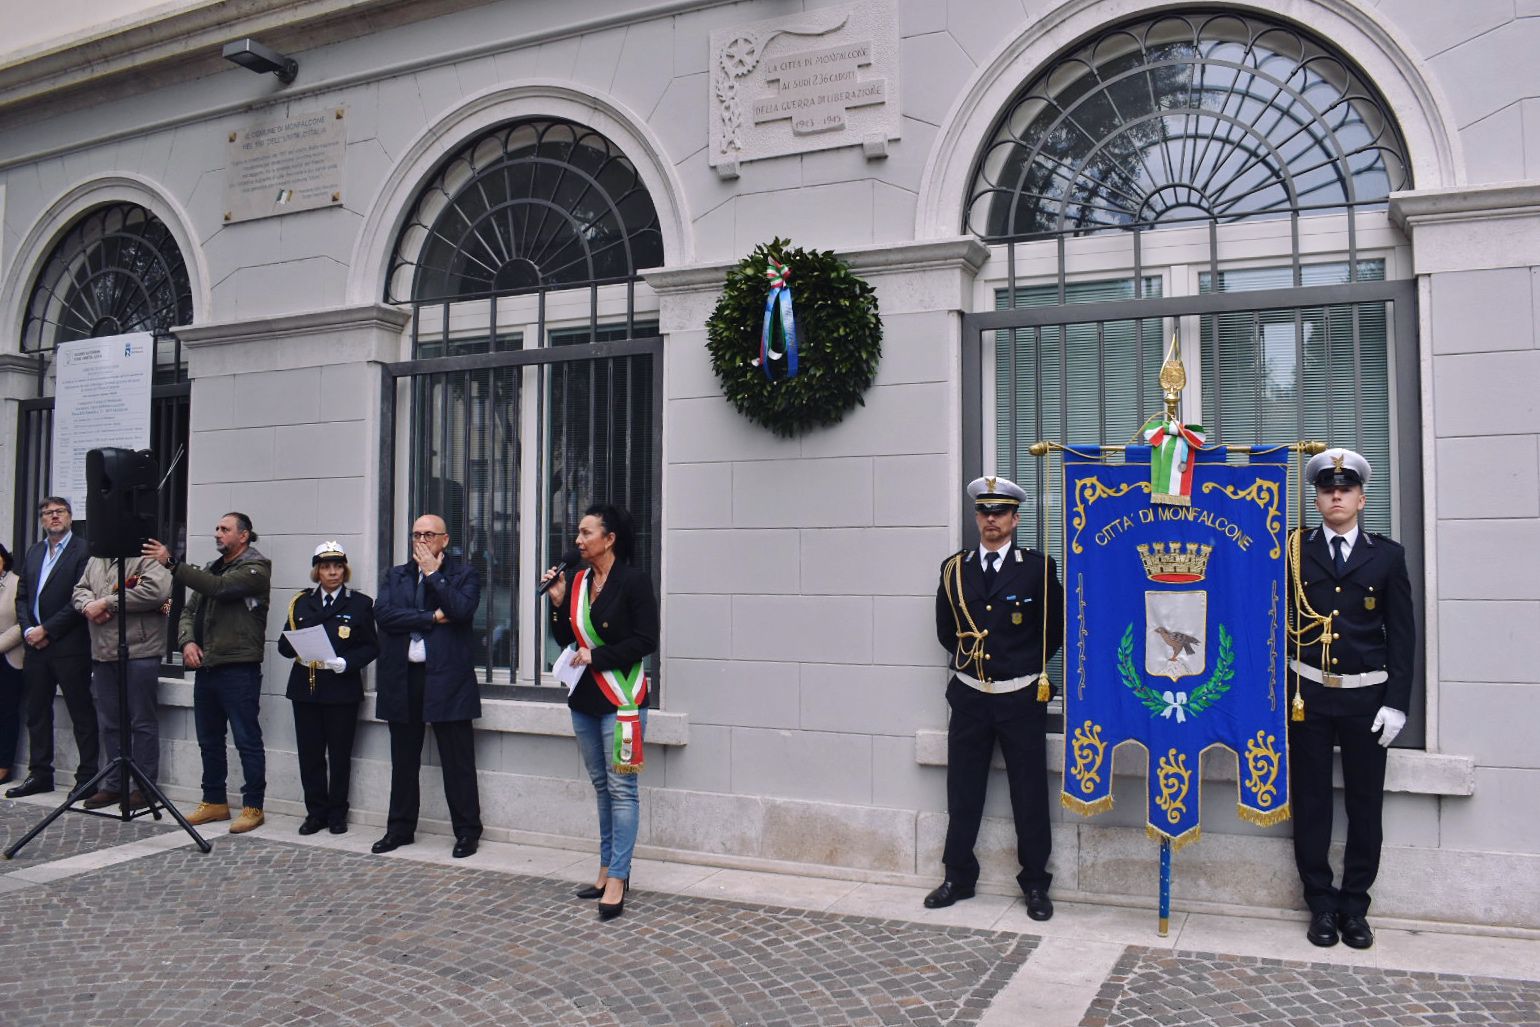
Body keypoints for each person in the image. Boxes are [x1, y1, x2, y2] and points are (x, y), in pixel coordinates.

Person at [1288, 448, 1414, 951]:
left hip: (1367, 700)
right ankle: (1320, 904)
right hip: (1309, 697)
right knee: (1312, 805)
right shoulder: (1295, 550)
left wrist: (1398, 702)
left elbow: (1402, 634)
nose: (1335, 496)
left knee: (1365, 807)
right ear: (1317, 498)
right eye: (1326, 489)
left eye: (1344, 489)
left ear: (1361, 498)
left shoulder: (1387, 555)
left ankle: (1355, 906)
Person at [927, 476, 1064, 920]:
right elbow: (947, 632)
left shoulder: (1038, 568)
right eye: (984, 512)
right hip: (969, 697)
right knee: (963, 791)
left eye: (1000, 512)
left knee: (1029, 795)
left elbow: (1053, 631)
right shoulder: (954, 569)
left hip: (1020, 698)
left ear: (1015, 519)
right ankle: (958, 876)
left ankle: (1035, 885)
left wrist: (1020, 667)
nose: (991, 520)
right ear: (976, 518)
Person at [543, 503, 658, 921]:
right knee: (600, 785)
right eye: (578, 532)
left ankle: (619, 877)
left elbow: (647, 640)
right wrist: (557, 602)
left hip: (623, 700)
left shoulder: (634, 582)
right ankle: (606, 865)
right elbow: (564, 637)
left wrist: (599, 658)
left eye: (586, 533)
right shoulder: (575, 581)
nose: (578, 540)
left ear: (609, 539)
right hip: (586, 701)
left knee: (622, 788)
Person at [143, 513, 271, 834]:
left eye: (225, 529)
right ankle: (214, 801)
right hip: (207, 667)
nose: (217, 534)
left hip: (238, 668)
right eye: (216, 528)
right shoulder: (210, 568)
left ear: (243, 536)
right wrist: (187, 642)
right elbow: (186, 610)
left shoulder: (256, 569)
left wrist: (172, 563)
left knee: (246, 740)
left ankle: (254, 806)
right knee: (209, 740)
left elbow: (219, 588)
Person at [372, 514, 483, 858]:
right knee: (404, 760)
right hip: (404, 678)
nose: (421, 541)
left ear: (444, 540)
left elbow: (462, 610)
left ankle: (467, 831)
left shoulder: (463, 574)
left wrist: (434, 575)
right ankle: (400, 828)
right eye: (416, 534)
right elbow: (384, 616)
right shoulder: (397, 575)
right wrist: (431, 618)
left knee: (457, 760)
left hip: (448, 678)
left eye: (429, 535)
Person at [277, 541, 378, 835]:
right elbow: (284, 645)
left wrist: (347, 662)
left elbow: (371, 647)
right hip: (306, 685)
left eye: (337, 567)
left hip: (341, 687)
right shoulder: (301, 602)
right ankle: (315, 812)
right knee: (310, 754)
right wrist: (300, 647)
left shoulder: (360, 604)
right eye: (325, 567)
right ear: (317, 572)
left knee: (339, 754)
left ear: (344, 570)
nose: (332, 572)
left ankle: (337, 813)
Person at [8, 497, 95, 799]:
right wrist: (30, 629)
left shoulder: (83, 550)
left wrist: (48, 629)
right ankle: (40, 773)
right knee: (37, 712)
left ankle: (87, 777)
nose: (54, 517)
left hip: (69, 646)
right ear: (42, 520)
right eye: (47, 513)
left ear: (70, 517)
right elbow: (22, 597)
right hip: (35, 647)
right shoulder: (34, 552)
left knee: (80, 712)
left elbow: (80, 598)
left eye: (59, 512)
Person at [72, 554, 173, 810]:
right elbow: (80, 589)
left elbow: (157, 592)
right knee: (110, 723)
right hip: (103, 651)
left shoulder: (146, 557)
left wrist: (107, 603)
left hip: (140, 650)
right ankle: (114, 785)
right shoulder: (96, 558)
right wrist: (87, 607)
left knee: (142, 722)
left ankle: (143, 787)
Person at [0, 544, 25, 786]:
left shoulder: (16, 583)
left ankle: (4, 765)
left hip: (9, 657)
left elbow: (23, 622)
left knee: (6, 712)